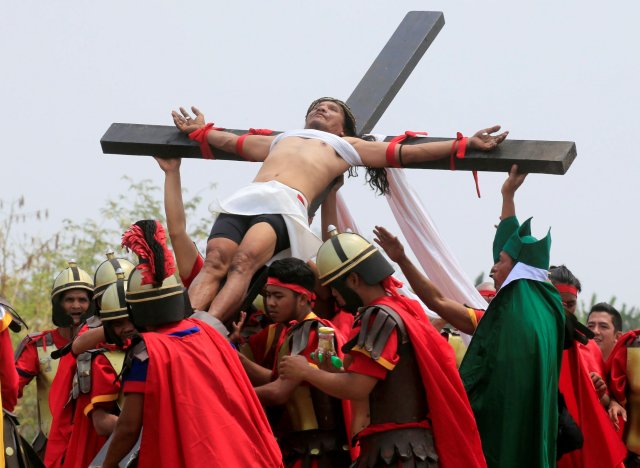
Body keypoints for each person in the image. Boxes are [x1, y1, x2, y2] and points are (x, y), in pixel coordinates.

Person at [171, 99, 508, 323]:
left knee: (245, 261)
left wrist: (464, 145)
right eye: (317, 107)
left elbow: (408, 154)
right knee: (215, 260)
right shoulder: (282, 139)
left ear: (343, 127)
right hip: (243, 201)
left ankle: (206, 327)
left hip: (284, 206)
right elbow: (230, 142)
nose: (322, 109)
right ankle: (184, 321)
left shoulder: (348, 147)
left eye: (331, 109)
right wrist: (200, 131)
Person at [279, 228, 486, 467]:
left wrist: (307, 372)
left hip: (397, 454)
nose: (332, 294)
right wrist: (329, 372)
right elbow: (379, 383)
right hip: (404, 451)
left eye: (334, 286)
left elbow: (358, 388)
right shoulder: (398, 309)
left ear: (354, 280)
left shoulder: (379, 316)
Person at [101, 220, 282, 468]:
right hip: (248, 456)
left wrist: (106, 465)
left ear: (136, 309)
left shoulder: (147, 352)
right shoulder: (209, 333)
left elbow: (129, 426)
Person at [458, 166, 565, 467]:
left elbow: (489, 377)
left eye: (499, 262)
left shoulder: (514, 310)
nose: (492, 269)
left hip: (505, 434)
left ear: (517, 268)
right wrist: (508, 195)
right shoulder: (546, 302)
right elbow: (506, 246)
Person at [239, 258, 351, 467]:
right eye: (268, 295)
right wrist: (232, 355)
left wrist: (233, 394)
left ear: (302, 298)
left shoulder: (310, 331)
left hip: (317, 452)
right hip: (307, 447)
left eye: (278, 296)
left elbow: (279, 392)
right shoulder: (294, 331)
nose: (270, 302)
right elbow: (274, 378)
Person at [547, 265, 626, 468]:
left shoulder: (588, 346)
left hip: (580, 444)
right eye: (558, 301)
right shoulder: (536, 337)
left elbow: (605, 399)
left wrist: (604, 396)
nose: (564, 308)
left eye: (571, 304)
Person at [15, 260, 94, 459]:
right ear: (58, 303)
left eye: (82, 300)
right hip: (51, 453)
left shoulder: (105, 343)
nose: (76, 305)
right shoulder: (38, 346)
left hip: (95, 447)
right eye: (69, 300)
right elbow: (9, 389)